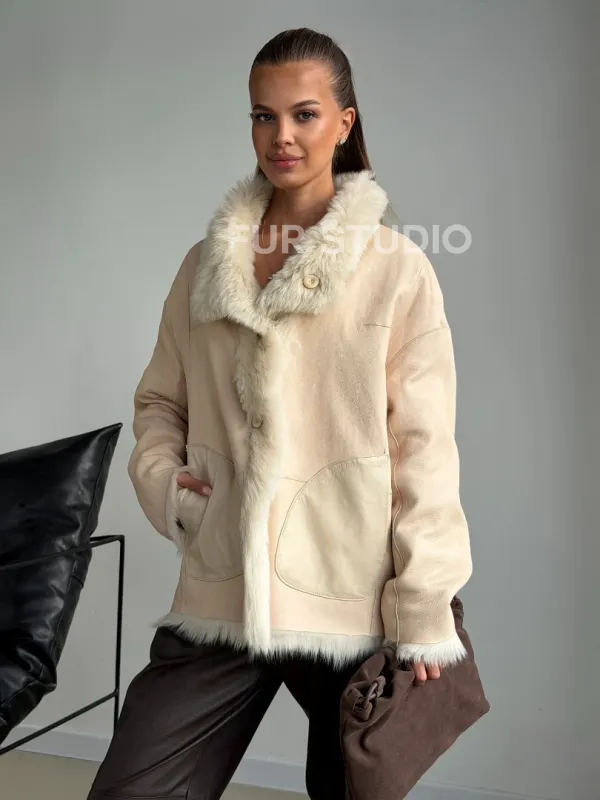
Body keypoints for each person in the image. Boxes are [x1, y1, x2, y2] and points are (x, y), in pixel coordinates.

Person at [87, 27, 472, 800]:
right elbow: (160, 401)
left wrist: (424, 600)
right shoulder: (205, 265)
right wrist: (169, 487)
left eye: (304, 114)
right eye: (263, 116)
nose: (282, 136)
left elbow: (423, 447)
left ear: (344, 123)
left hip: (350, 596)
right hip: (223, 586)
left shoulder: (397, 271)